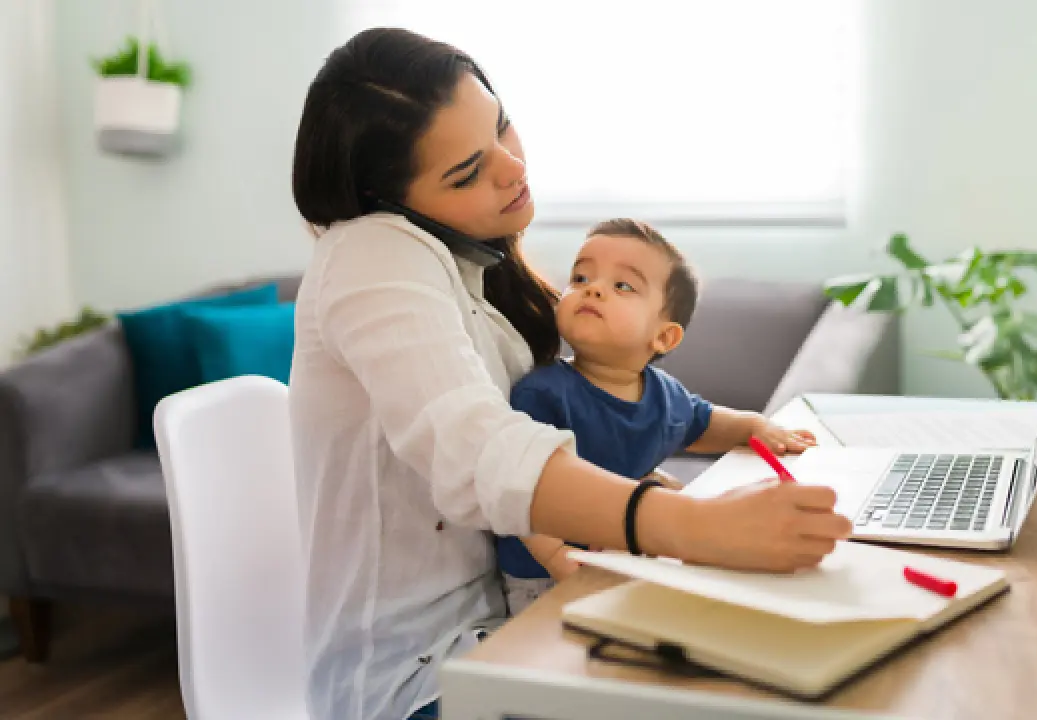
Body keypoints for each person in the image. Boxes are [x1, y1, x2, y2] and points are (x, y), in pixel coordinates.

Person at [288, 27, 852, 720]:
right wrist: (686, 525)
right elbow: (475, 449)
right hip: (418, 678)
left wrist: (635, 488)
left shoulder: (474, 267)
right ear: (389, 199)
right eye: (466, 173)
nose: (510, 168)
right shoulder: (371, 254)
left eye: (502, 127)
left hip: (523, 622)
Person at [496, 218, 817, 613]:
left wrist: (756, 427)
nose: (592, 289)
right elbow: (523, 488)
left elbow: (705, 423)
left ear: (664, 337)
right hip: (543, 572)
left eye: (623, 286)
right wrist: (555, 556)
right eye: (580, 277)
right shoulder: (543, 393)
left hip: (629, 551)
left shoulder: (664, 395)